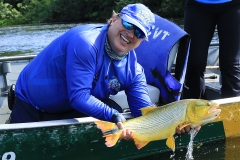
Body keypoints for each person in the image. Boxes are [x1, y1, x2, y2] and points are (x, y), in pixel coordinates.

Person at [8, 3, 156, 139]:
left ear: (142, 40)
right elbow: (79, 96)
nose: (131, 34)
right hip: (30, 106)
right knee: (113, 113)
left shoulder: (134, 71)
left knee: (114, 111)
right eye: (128, 24)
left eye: (139, 33)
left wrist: (173, 124)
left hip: (73, 110)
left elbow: (144, 113)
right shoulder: (86, 43)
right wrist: (114, 116)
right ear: (114, 19)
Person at [183, 0, 240, 99]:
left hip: (234, 6)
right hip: (197, 6)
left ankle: (231, 112)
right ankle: (196, 110)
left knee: (231, 65)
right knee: (194, 64)